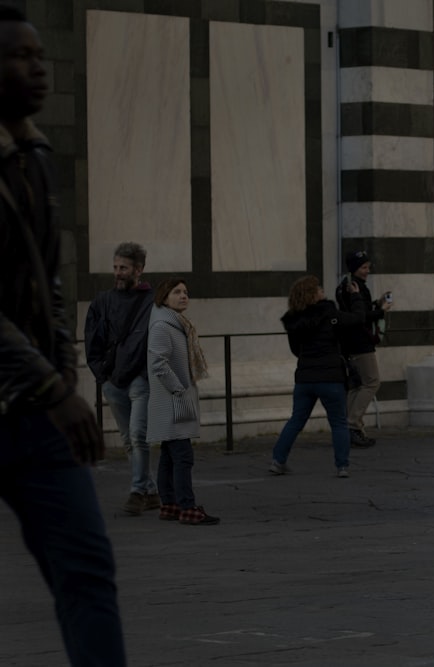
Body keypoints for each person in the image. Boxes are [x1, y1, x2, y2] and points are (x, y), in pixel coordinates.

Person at [0, 8, 126, 662]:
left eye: (40, 54)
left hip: (33, 411)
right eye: (21, 56)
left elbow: (50, 281)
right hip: (32, 394)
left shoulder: (36, 154)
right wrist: (54, 386)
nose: (39, 67)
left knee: (86, 570)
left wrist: (68, 369)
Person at [84, 241, 157, 516]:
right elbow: (92, 340)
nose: (117, 272)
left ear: (138, 270)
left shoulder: (153, 302)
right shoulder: (103, 301)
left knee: (138, 435)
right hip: (113, 382)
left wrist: (146, 373)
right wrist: (103, 376)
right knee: (129, 439)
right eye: (115, 267)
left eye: (123, 268)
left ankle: (137, 491)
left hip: (140, 379)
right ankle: (151, 492)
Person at [271, 276, 365, 478]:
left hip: (305, 378)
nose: (323, 290)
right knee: (338, 422)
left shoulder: (294, 321)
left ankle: (278, 460)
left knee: (296, 420)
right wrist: (356, 297)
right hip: (331, 377)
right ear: (313, 294)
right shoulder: (329, 314)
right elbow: (357, 318)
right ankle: (342, 466)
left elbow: (296, 350)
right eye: (319, 289)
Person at [147, 278, 218, 525]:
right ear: (164, 297)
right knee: (183, 456)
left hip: (175, 399)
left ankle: (170, 504)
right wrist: (178, 389)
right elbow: (157, 363)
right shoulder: (162, 326)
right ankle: (187, 508)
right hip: (173, 401)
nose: (183, 295)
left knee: (169, 454)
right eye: (177, 292)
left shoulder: (176, 323)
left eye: (186, 291)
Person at [337, 250, 391, 447]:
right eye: (363, 267)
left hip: (350, 342)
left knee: (357, 385)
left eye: (368, 266)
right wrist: (381, 311)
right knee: (372, 382)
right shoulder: (354, 288)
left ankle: (349, 427)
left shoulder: (345, 286)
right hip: (360, 342)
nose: (367, 271)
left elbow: (358, 311)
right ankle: (353, 425)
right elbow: (360, 316)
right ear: (354, 268)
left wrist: (376, 304)